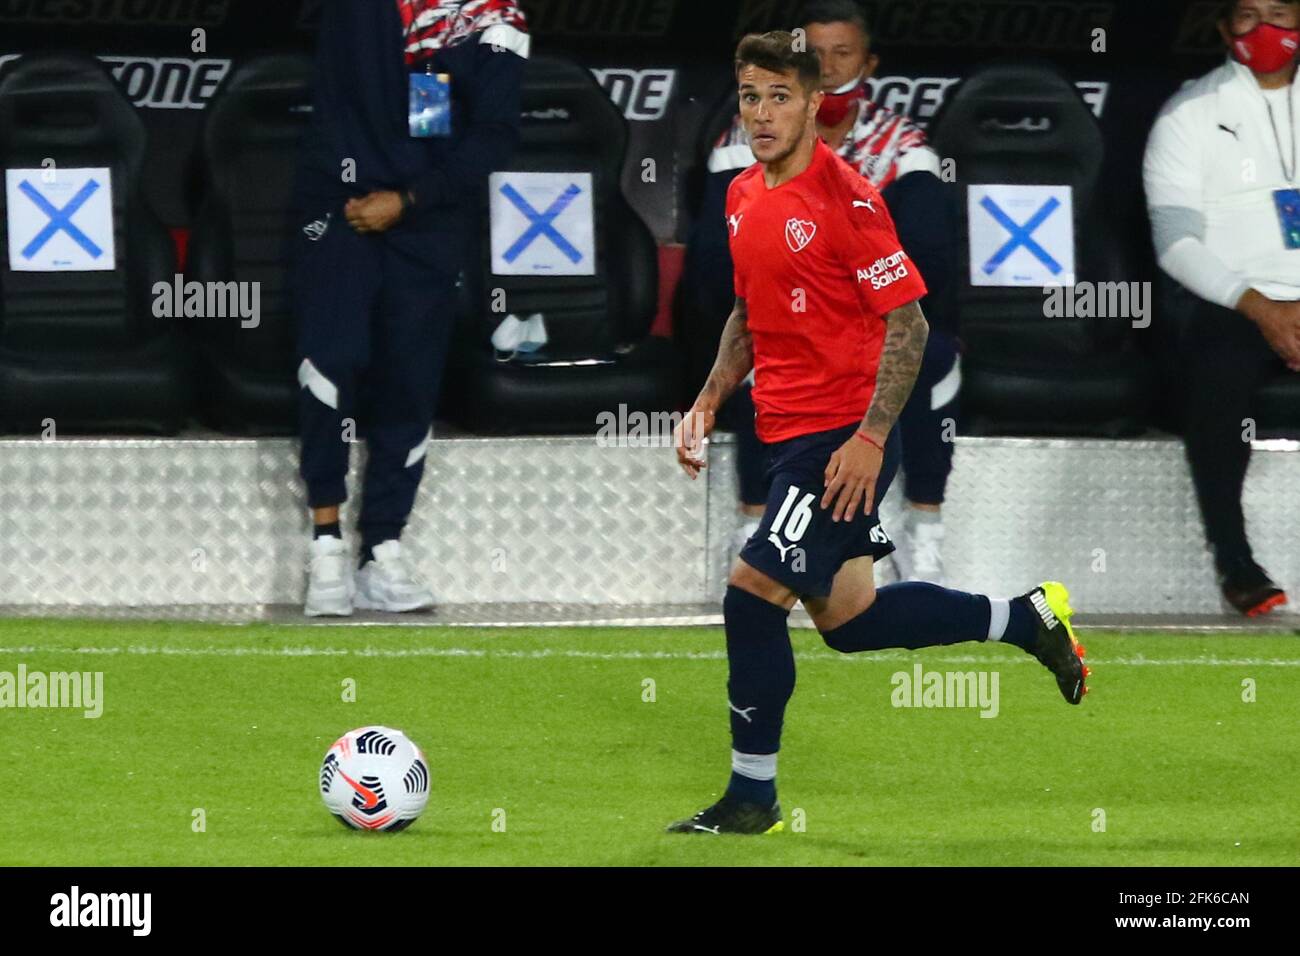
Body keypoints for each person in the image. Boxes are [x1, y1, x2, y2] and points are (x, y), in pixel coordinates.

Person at [666, 32, 1088, 836]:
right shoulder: (742, 194)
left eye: (778, 97)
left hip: (840, 436)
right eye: (749, 96)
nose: (760, 113)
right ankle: (1022, 619)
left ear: (814, 103)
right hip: (785, 430)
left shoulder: (848, 200)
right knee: (852, 623)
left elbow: (910, 326)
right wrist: (709, 397)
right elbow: (748, 313)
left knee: (751, 596)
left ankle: (752, 795)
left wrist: (869, 439)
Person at [680, 0, 960, 584]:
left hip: (870, 326)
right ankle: (755, 522)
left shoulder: (900, 144)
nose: (829, 69)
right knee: (761, 348)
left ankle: (923, 531)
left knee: (929, 355)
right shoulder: (746, 143)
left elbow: (928, 261)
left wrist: (841, 307)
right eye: (816, 55)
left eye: (843, 54)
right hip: (784, 325)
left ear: (870, 62)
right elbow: (715, 269)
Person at [290, 0, 529, 617]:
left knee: (410, 379)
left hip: (429, 220)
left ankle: (383, 548)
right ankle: (325, 545)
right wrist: (345, 194)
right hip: (338, 210)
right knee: (331, 364)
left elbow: (495, 133)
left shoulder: (493, 20)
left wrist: (412, 198)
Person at [1144, 0, 1300, 617]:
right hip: (1233, 303)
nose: (1264, 30)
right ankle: (1237, 563)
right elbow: (1176, 243)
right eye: (1247, 15)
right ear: (1222, 28)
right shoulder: (1190, 112)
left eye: (1281, 13)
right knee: (1216, 365)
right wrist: (1265, 309)